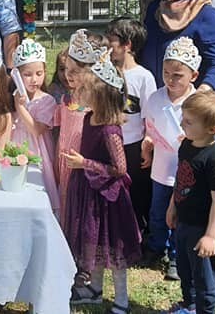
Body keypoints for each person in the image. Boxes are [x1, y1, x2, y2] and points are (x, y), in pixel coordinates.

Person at [141, 0, 215, 259]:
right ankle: (159, 240)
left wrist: (198, 100)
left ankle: (203, 238)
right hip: (160, 106)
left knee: (195, 182)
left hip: (192, 112)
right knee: (161, 179)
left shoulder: (206, 15)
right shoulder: (155, 10)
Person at [60, 48, 141, 311]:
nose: (79, 92)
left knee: (113, 250)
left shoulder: (109, 129)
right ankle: (94, 289)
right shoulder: (89, 118)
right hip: (89, 191)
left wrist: (84, 163)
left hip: (107, 198)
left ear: (100, 96)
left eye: (85, 89)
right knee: (92, 243)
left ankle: (121, 300)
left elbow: (120, 168)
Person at [166, 91, 215, 314]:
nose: (181, 124)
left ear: (212, 129)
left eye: (188, 122)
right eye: (183, 118)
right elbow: (180, 178)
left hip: (201, 228)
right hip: (184, 222)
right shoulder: (187, 145)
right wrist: (172, 206)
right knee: (185, 270)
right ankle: (190, 305)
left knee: (204, 278)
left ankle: (205, 310)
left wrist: (211, 236)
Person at [142, 37, 201, 281]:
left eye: (178, 75)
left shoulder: (196, 103)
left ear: (193, 75)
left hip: (185, 172)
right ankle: (156, 246)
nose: (171, 79)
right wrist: (147, 144)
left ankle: (177, 255)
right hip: (160, 168)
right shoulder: (156, 98)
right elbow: (150, 126)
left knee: (180, 213)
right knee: (157, 211)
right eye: (166, 73)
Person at [107, 17, 157, 237]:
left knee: (136, 191)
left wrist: (147, 145)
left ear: (127, 44)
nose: (108, 44)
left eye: (112, 39)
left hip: (133, 145)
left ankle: (139, 235)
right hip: (109, 142)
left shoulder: (144, 77)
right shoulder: (106, 72)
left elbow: (150, 116)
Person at [9, 38, 59, 213]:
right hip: (17, 145)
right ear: (17, 75)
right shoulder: (13, 96)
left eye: (39, 73)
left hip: (38, 150)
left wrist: (20, 107)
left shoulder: (47, 100)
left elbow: (36, 130)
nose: (34, 79)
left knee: (36, 186)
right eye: (27, 74)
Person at [55, 29, 101, 219]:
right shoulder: (66, 99)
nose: (68, 75)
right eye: (66, 69)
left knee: (80, 211)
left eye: (75, 71)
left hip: (83, 166)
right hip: (65, 163)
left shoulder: (96, 105)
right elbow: (62, 133)